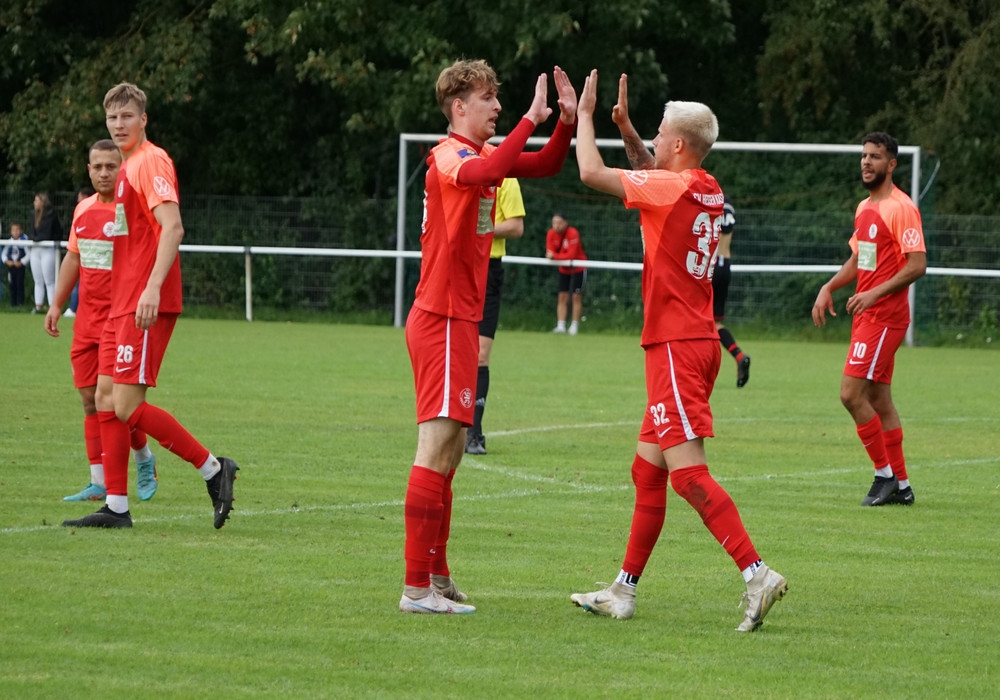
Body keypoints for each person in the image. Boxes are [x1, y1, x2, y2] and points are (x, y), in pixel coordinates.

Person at [568, 70, 787, 632]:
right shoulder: (706, 186)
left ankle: (756, 573)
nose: (657, 141)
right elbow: (651, 168)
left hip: (675, 346)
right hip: (693, 340)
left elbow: (592, 172)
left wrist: (586, 115)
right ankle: (623, 591)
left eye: (662, 134)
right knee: (648, 472)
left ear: (680, 145)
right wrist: (626, 126)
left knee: (688, 475)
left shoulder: (671, 187)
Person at [401, 59, 577, 614]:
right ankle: (415, 589)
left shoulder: (477, 156)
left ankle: (437, 574)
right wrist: (531, 117)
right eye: (487, 98)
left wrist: (565, 123)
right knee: (435, 450)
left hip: (457, 318)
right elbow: (485, 174)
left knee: (451, 451)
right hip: (442, 317)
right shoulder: (452, 155)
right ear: (458, 107)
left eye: (500, 99)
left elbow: (546, 163)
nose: (497, 107)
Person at [62, 82, 239, 530]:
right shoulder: (125, 168)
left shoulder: (150, 160)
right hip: (122, 303)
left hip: (143, 301)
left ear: (144, 120)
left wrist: (153, 288)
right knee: (104, 398)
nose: (119, 125)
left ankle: (214, 470)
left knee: (124, 406)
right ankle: (116, 507)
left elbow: (173, 227)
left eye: (127, 117)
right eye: (112, 118)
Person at [811, 131, 926, 507]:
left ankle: (885, 476)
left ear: (891, 164)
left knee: (850, 394)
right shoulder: (864, 208)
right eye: (864, 155)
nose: (866, 162)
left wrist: (875, 293)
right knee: (878, 398)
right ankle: (903, 486)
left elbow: (917, 265)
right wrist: (830, 285)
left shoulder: (901, 207)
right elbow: (861, 262)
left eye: (875, 156)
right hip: (868, 314)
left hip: (885, 316)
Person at [45, 140, 159, 503]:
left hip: (121, 319)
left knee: (112, 399)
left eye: (112, 166)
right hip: (87, 321)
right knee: (89, 401)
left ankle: (143, 458)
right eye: (98, 167)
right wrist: (56, 304)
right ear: (89, 169)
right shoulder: (82, 210)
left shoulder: (130, 210)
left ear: (120, 168)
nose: (105, 173)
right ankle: (97, 480)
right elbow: (73, 260)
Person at [465, 177, 526, 456]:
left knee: (480, 355)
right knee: (455, 352)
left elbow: (516, 226)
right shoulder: (458, 172)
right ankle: (449, 426)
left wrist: (478, 230)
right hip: (458, 266)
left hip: (488, 271)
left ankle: (473, 433)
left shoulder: (507, 179)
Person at [714, 195, 751, 387]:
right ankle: (738, 355)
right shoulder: (729, 205)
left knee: (696, 319)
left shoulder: (709, 201)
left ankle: (697, 365)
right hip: (725, 264)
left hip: (710, 266)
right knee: (715, 322)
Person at [545, 213, 586, 335]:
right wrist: (556, 257)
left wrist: (555, 257)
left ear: (565, 223)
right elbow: (549, 252)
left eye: (559, 223)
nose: (556, 226)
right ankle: (561, 325)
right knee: (562, 296)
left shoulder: (573, 233)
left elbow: (571, 255)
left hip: (578, 268)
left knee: (576, 297)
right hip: (563, 269)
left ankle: (574, 326)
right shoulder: (551, 234)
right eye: (554, 223)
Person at [28, 191, 62, 314]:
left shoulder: (51, 216)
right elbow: (31, 231)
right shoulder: (33, 215)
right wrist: (34, 239)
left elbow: (54, 233)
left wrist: (40, 239)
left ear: (42, 202)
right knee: (37, 279)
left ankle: (52, 306)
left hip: (47, 249)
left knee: (49, 280)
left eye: (37, 200)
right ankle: (38, 306)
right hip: (35, 249)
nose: (34, 203)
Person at [64, 187, 95, 319]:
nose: (79, 202)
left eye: (81, 199)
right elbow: (71, 255)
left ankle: (73, 308)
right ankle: (73, 308)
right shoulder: (80, 211)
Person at [3, 221, 30, 307]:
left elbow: (29, 254)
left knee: (19, 284)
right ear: (11, 232)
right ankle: (12, 304)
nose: (15, 232)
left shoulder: (24, 240)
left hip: (20, 267)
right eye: (13, 230)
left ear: (21, 231)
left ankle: (20, 303)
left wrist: (22, 262)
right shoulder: (9, 242)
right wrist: (7, 261)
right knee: (12, 285)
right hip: (11, 267)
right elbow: (3, 254)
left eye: (17, 230)